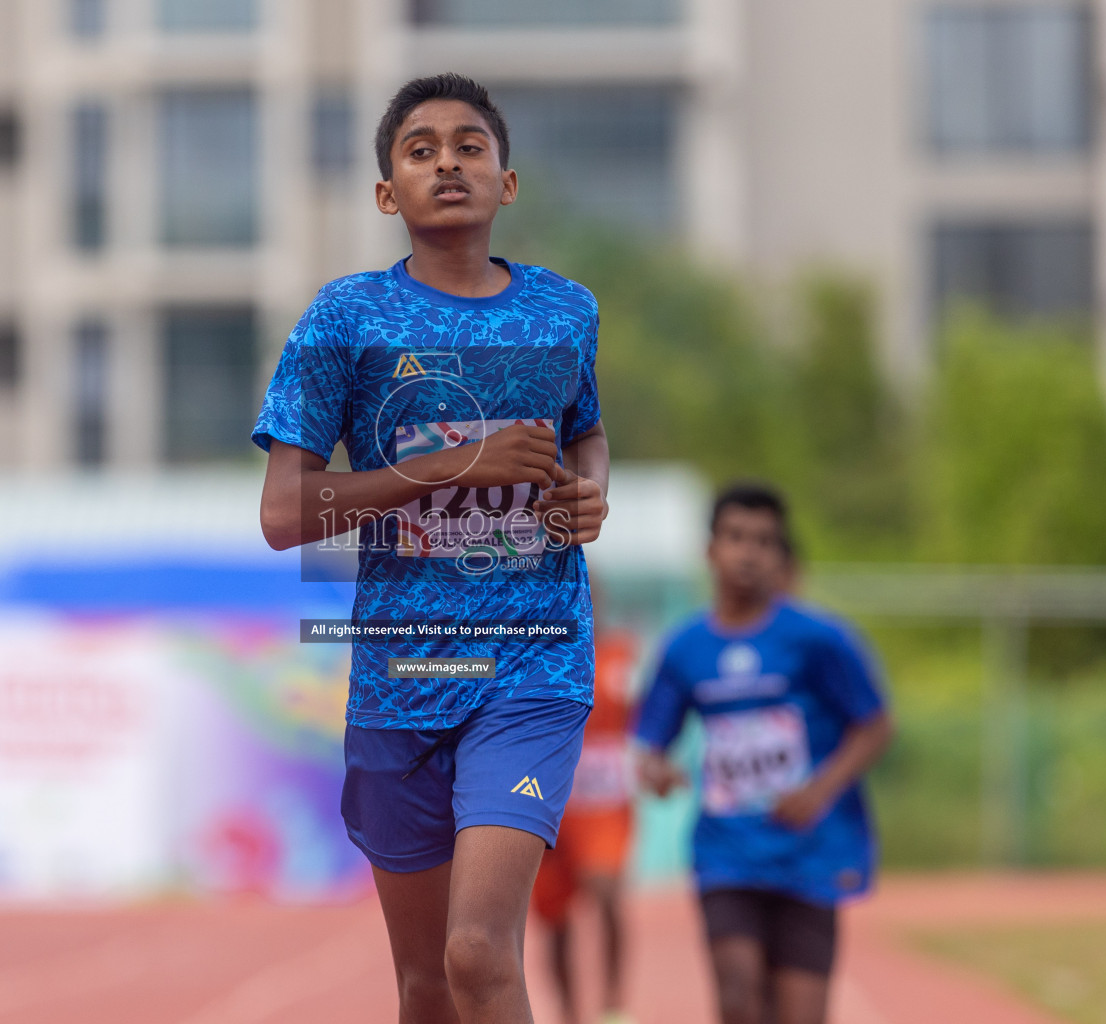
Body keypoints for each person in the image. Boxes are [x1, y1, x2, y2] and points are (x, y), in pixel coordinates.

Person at [253, 73, 609, 1024]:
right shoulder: (346, 319)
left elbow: (586, 432)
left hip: (531, 666)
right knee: (425, 985)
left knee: (478, 953)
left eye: (469, 145)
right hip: (403, 668)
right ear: (386, 194)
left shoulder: (565, 312)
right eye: (420, 149)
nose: (447, 161)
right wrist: (455, 464)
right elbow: (285, 514)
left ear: (507, 181)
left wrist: (591, 492)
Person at [633, 483, 893, 1024]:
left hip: (809, 852)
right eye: (735, 537)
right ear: (710, 550)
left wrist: (819, 788)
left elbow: (875, 725)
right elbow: (652, 744)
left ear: (780, 554)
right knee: (737, 995)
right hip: (727, 853)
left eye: (764, 540)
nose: (748, 552)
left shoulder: (820, 639)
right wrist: (658, 771)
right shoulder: (684, 648)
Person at [530, 618, 638, 1024]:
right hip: (550, 803)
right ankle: (569, 1013)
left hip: (604, 806)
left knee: (606, 890)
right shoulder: (533, 654)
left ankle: (613, 1005)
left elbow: (650, 713)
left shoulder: (620, 656)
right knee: (556, 918)